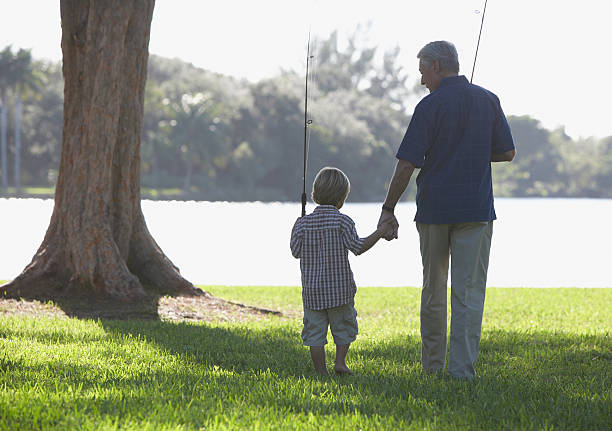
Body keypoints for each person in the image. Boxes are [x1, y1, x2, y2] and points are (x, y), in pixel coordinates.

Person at [377, 41, 516, 379]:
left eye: (423, 71)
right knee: (468, 294)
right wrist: (474, 151)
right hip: (476, 209)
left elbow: (407, 164)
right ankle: (462, 372)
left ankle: (432, 368)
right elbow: (507, 153)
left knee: (433, 290)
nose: (422, 79)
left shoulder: (429, 106)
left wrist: (388, 208)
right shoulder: (488, 99)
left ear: (437, 66)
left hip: (435, 209)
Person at [290, 166, 394, 376]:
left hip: (313, 293)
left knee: (314, 335)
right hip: (339, 292)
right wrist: (380, 232)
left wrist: (300, 227)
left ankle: (321, 371)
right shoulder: (343, 221)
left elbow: (295, 251)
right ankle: (340, 362)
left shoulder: (302, 223)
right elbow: (358, 247)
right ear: (341, 199)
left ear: (315, 195)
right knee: (344, 328)